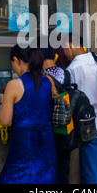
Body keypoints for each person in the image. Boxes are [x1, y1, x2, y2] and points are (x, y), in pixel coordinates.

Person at [62, 32, 97, 184]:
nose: (65, 54)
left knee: (91, 177)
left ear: (70, 45)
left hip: (90, 131)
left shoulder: (72, 69)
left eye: (64, 49)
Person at [0, 44, 57, 184]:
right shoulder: (49, 81)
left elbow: (4, 121)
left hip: (24, 146)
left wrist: (3, 101)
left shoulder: (14, 85)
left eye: (13, 64)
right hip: (47, 144)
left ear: (16, 60)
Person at [40, 41, 71, 184]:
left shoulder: (42, 78)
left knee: (49, 169)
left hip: (49, 130)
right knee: (64, 167)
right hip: (66, 128)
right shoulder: (66, 73)